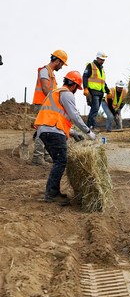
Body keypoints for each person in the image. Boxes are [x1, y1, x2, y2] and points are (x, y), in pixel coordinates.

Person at [34, 71, 96, 205]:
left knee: (59, 160)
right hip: (52, 131)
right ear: (73, 85)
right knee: (61, 161)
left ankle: (52, 192)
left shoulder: (56, 92)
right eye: (77, 88)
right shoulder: (66, 93)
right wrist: (88, 131)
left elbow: (57, 117)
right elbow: (74, 115)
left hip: (45, 130)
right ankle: (52, 194)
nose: (76, 91)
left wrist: (73, 133)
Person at [32, 50, 68, 165]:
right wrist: (55, 102)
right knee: (42, 130)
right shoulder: (44, 71)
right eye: (62, 64)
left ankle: (47, 155)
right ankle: (38, 157)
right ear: (57, 61)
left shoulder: (51, 73)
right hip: (42, 105)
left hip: (46, 106)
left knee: (48, 129)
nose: (62, 67)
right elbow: (45, 88)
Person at [83, 51, 110, 130]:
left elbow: (103, 82)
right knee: (95, 109)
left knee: (94, 109)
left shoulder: (101, 69)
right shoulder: (90, 66)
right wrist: (85, 88)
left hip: (100, 92)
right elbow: (85, 76)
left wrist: (108, 91)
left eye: (103, 60)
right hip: (93, 92)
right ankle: (91, 126)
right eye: (101, 59)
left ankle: (88, 127)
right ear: (97, 58)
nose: (102, 61)